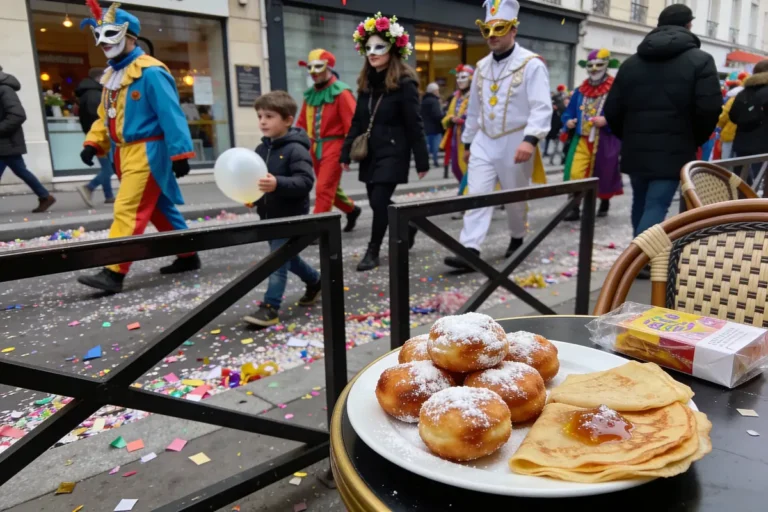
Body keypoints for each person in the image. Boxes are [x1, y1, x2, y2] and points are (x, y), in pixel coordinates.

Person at [76, 2, 200, 293]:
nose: (104, 42)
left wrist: (180, 153)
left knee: (128, 208)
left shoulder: (151, 72)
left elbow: (171, 113)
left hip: (148, 151)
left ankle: (113, 271)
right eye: (99, 35)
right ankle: (188, 255)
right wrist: (94, 143)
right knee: (159, 209)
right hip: (124, 152)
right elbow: (105, 116)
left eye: (111, 34)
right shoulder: (111, 77)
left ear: (131, 36)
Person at [603, 3, 721, 279]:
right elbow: (709, 108)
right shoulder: (700, 60)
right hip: (675, 146)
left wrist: (628, 134)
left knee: (641, 203)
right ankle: (637, 262)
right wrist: (695, 137)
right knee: (656, 205)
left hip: (636, 146)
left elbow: (612, 109)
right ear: (689, 25)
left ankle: (636, 258)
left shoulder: (632, 63)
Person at [444, 0, 552, 270]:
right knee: (476, 194)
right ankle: (470, 249)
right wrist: (468, 142)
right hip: (484, 140)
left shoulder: (531, 65)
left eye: (499, 29)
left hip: (516, 140)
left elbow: (541, 106)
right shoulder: (480, 67)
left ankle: (517, 237)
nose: (492, 36)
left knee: (514, 199)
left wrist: (531, 139)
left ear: (513, 30)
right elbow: (475, 110)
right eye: (487, 30)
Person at [342, 12, 429, 272]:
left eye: (379, 47)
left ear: (393, 49)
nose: (372, 52)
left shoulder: (405, 83)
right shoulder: (365, 83)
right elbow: (357, 122)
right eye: (368, 48)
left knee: (380, 200)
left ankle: (373, 250)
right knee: (377, 202)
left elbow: (415, 123)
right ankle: (408, 223)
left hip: (394, 151)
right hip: (369, 152)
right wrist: (345, 152)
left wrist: (422, 159)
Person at [243, 91, 321, 327]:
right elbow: (257, 180)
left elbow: (305, 182)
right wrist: (253, 198)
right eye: (259, 116)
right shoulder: (260, 149)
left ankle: (270, 307)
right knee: (289, 258)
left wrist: (278, 183)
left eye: (269, 116)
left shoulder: (296, 149)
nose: (262, 121)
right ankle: (315, 281)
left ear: (287, 120)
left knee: (276, 262)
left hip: (290, 217)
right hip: (269, 216)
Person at [296, 49, 361, 230]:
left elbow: (353, 124)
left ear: (329, 67)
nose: (313, 72)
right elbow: (302, 124)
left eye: (318, 67)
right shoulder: (309, 94)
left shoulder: (342, 93)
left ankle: (316, 229)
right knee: (329, 187)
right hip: (314, 147)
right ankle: (352, 209)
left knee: (324, 188)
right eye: (310, 68)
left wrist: (347, 152)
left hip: (335, 146)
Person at [561, 48, 623, 220]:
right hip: (581, 139)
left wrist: (607, 120)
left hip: (605, 139)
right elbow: (568, 112)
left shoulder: (615, 88)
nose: (594, 69)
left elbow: (623, 112)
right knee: (575, 173)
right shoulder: (580, 90)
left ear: (607, 65)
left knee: (604, 173)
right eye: (591, 65)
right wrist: (568, 121)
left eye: (599, 65)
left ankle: (604, 201)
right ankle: (574, 207)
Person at [0, 65, 56, 213]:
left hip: (6, 142)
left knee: (20, 170)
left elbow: (17, 115)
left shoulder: (4, 89)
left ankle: (45, 196)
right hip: (6, 143)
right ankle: (45, 196)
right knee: (21, 170)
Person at [75, 67, 115, 206]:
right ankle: (89, 187)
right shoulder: (95, 94)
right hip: (99, 138)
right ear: (99, 78)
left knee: (107, 167)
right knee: (109, 168)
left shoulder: (88, 93)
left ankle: (109, 195)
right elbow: (100, 119)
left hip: (94, 138)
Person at [730, 60, 768, 187]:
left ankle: (742, 206)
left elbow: (733, 116)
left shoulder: (743, 93)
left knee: (742, 187)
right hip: (763, 149)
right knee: (761, 189)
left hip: (741, 146)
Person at [441, 64, 474, 195]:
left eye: (463, 77)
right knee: (456, 168)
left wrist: (465, 120)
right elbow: (447, 115)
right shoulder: (456, 97)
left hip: (472, 139)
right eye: (457, 77)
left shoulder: (476, 95)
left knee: (469, 168)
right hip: (456, 138)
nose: (459, 80)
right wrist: (451, 119)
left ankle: (465, 197)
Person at [716, 73, 748, 161]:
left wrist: (720, 126)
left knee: (725, 162)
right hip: (745, 137)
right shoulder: (754, 98)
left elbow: (724, 116)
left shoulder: (733, 99)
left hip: (729, 134)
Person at [422, 82, 444, 168]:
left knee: (427, 146)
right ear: (434, 91)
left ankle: (425, 163)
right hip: (435, 128)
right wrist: (444, 116)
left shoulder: (423, 100)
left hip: (426, 127)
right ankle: (435, 162)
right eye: (437, 90)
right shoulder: (434, 101)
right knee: (435, 147)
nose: (438, 92)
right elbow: (437, 115)